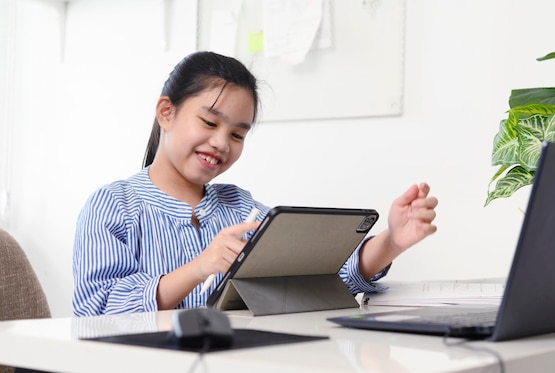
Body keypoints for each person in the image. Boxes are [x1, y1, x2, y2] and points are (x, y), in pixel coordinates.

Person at [72, 51, 438, 317]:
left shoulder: (240, 208)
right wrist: (200, 267)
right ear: (166, 112)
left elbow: (316, 274)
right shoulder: (113, 206)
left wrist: (392, 240)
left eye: (237, 134)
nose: (221, 143)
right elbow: (97, 309)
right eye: (210, 123)